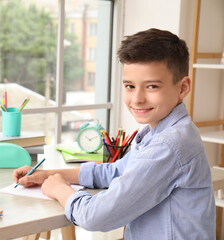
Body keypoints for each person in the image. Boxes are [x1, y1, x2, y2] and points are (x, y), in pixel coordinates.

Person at [13, 28, 216, 239]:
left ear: (182, 88)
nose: (137, 99)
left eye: (152, 86)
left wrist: (60, 190)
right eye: (129, 86)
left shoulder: (169, 144)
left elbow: (95, 217)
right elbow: (115, 172)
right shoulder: (162, 130)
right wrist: (48, 176)